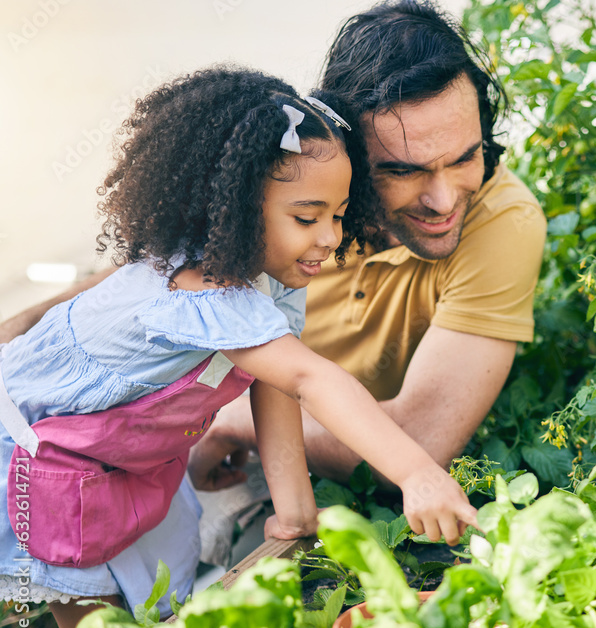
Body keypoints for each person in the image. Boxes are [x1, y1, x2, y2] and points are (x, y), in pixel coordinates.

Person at [0, 66, 476, 628]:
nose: (330, 237)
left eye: (339, 213)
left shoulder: (269, 280)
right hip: (46, 461)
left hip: (122, 454)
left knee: (151, 611)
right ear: (230, 210)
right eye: (307, 218)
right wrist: (419, 475)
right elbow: (310, 378)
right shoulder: (198, 295)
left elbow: (275, 380)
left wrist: (296, 511)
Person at [187, 0, 548, 490]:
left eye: (466, 157)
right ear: (345, 153)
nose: (443, 202)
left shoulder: (504, 219)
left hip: (243, 442)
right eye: (404, 170)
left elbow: (413, 445)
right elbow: (168, 268)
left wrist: (229, 420)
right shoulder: (291, 179)